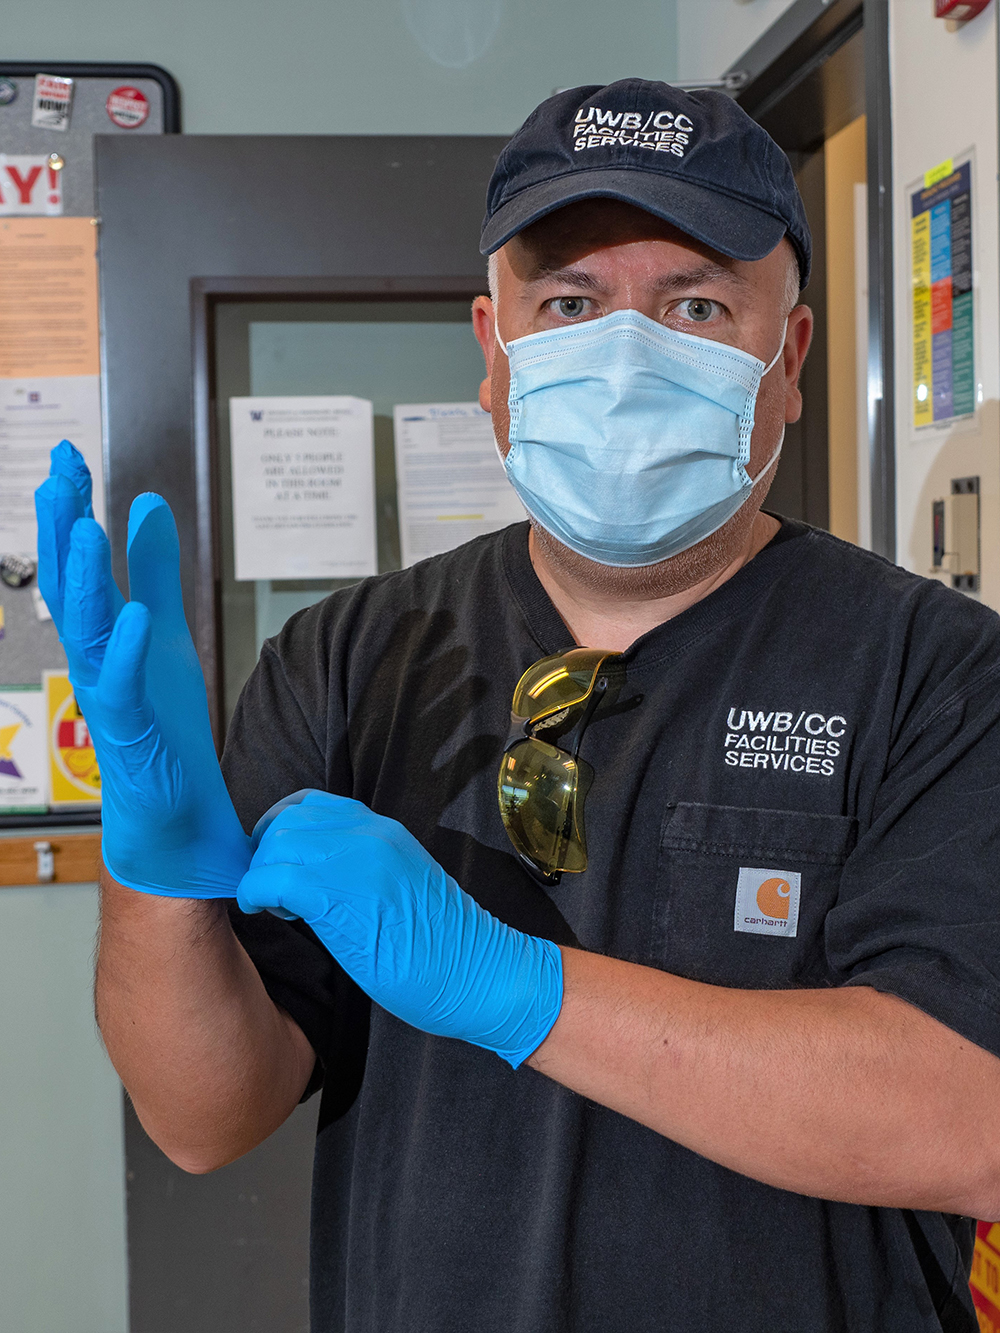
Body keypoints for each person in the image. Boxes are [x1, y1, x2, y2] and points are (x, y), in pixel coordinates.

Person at [36, 80, 1000, 1332]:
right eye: (569, 303)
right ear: (493, 357)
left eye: (696, 303)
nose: (626, 354)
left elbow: (968, 1121)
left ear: (792, 356)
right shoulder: (347, 657)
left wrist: (510, 984)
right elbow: (201, 1116)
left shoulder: (934, 670)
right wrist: (153, 876)